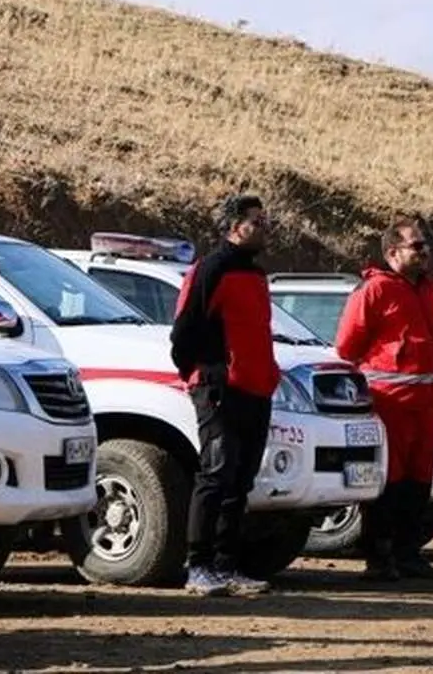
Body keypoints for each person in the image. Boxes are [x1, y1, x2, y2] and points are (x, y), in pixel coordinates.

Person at [169, 194, 280, 597]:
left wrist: (267, 375)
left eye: (265, 220)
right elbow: (184, 329)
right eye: (257, 221)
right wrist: (202, 372)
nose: (264, 227)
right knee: (215, 473)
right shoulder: (212, 268)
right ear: (235, 227)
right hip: (220, 387)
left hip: (256, 388)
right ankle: (198, 566)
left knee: (241, 479)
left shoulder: (255, 273)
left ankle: (226, 565)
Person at [335, 217, 433, 581]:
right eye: (416, 246)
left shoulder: (430, 288)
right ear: (392, 252)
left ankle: (408, 553)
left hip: (427, 402)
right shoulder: (374, 290)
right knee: (390, 481)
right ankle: (379, 556)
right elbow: (347, 347)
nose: (425, 250)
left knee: (420, 480)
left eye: (425, 243)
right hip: (390, 402)